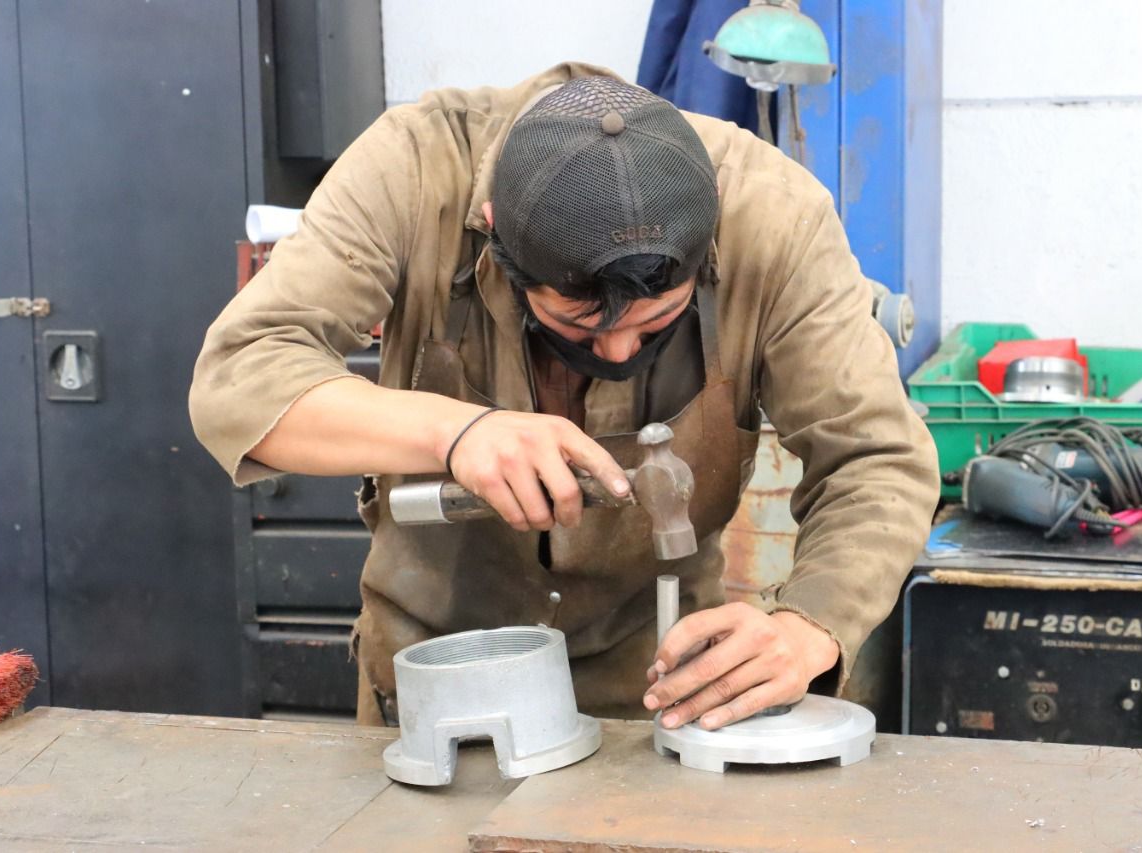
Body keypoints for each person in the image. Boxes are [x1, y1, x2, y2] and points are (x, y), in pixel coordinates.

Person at [190, 65, 939, 729]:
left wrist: (810, 623)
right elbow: (239, 376)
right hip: (438, 682)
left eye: (656, 323)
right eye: (579, 324)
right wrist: (459, 432)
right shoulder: (413, 170)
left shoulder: (773, 216)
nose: (617, 353)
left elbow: (876, 459)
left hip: (664, 690)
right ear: (494, 235)